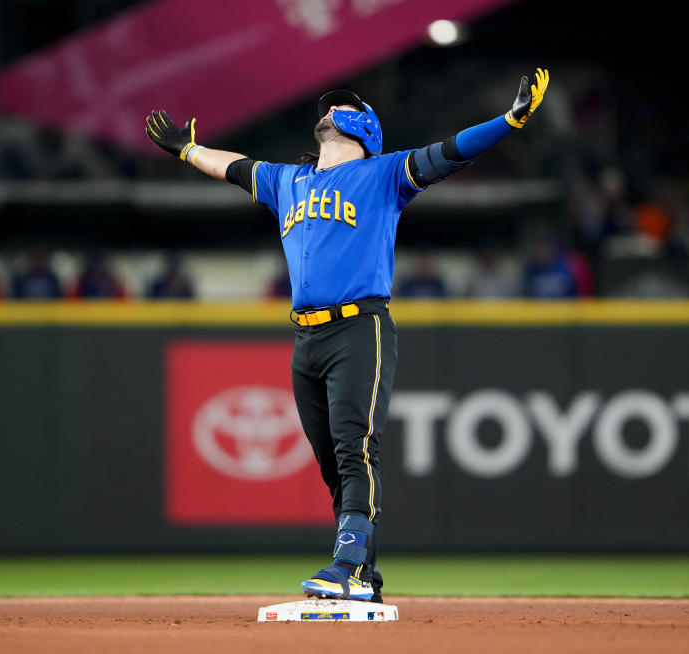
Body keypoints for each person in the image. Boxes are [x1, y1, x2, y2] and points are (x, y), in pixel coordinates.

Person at [146, 68, 549, 604]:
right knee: (334, 465)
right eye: (327, 108)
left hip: (360, 328)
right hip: (305, 341)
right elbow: (236, 168)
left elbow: (449, 150)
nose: (328, 113)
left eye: (340, 107)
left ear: (364, 128)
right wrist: (185, 150)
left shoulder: (384, 175)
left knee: (355, 449)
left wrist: (510, 119)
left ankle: (346, 564)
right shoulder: (288, 180)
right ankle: (366, 578)